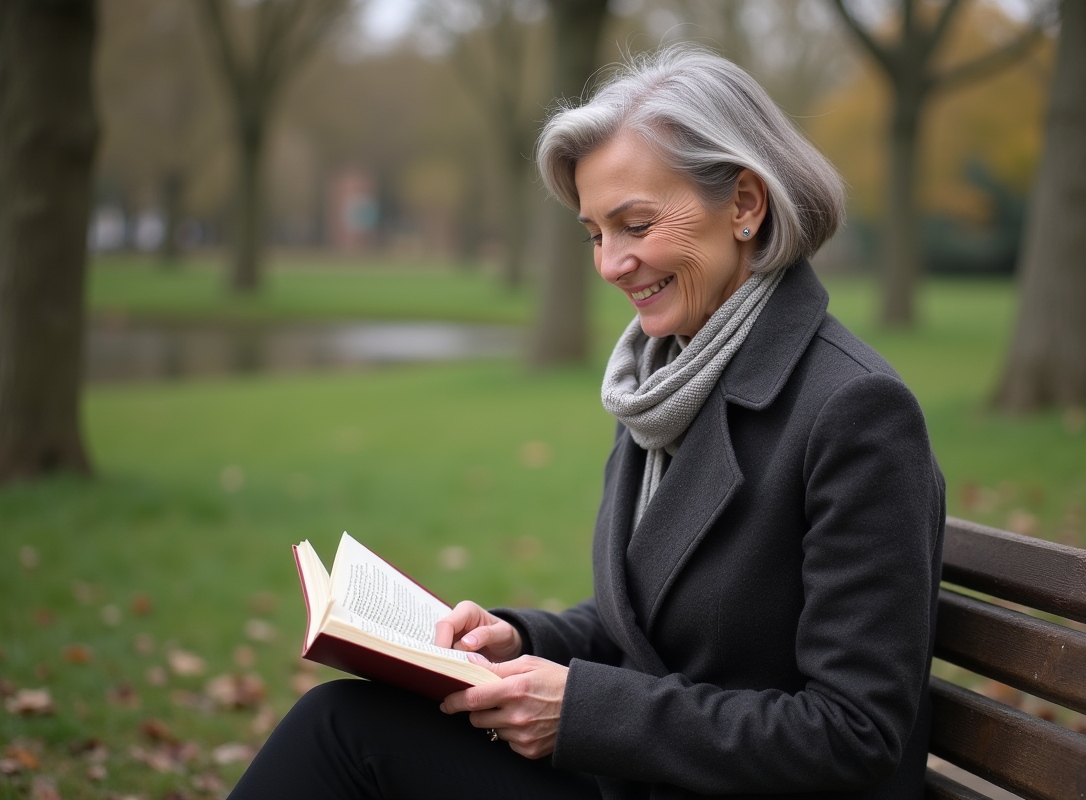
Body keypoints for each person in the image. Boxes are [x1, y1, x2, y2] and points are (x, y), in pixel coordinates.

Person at [228, 45, 945, 800]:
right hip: (645, 776)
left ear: (744, 204)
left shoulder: (854, 412)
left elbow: (854, 733)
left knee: (343, 737)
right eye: (596, 233)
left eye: (635, 224)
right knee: (342, 723)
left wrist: (582, 712)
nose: (610, 263)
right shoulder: (667, 378)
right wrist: (522, 642)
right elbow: (643, 625)